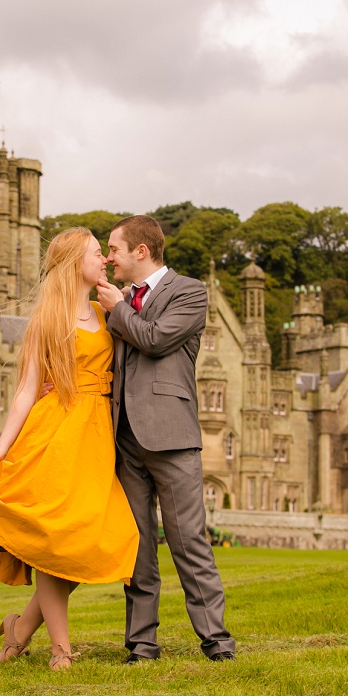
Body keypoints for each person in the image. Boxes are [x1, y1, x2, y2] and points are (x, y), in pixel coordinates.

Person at [0, 228, 140, 671]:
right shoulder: (47, 321)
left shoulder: (105, 309)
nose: (105, 261)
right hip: (55, 434)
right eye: (98, 254)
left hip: (96, 437)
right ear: (76, 262)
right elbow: (26, 391)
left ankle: (18, 629)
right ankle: (61, 649)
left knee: (93, 543)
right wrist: (1, 447)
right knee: (57, 542)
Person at [95, 214, 236, 664]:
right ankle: (141, 645)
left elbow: (154, 340)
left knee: (188, 540)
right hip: (124, 437)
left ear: (141, 251)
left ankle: (217, 642)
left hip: (172, 435)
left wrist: (118, 309)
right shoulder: (114, 299)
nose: (108, 257)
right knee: (137, 546)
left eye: (113, 249)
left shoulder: (190, 292)